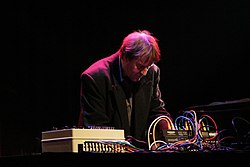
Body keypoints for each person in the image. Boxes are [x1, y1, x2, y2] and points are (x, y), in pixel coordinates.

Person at [78, 29, 172, 145]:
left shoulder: (151, 72)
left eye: (147, 67)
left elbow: (156, 110)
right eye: (139, 66)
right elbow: (98, 127)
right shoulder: (95, 78)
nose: (144, 72)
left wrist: (170, 131)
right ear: (124, 56)